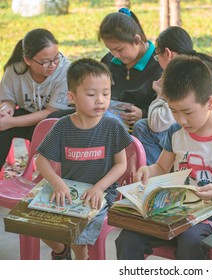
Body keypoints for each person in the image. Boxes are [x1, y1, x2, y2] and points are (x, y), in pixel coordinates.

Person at [115, 56, 212, 260]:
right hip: (172, 210)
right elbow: (161, 166)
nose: (181, 120)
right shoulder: (176, 131)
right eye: (174, 111)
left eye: (187, 112)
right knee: (128, 238)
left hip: (210, 215)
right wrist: (146, 171)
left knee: (191, 241)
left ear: (210, 103)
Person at [35, 58, 133, 260]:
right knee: (35, 223)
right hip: (68, 189)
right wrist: (57, 183)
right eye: (91, 94)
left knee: (79, 236)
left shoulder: (112, 126)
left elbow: (121, 164)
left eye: (106, 94)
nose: (100, 100)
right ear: (72, 97)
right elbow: (41, 161)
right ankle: (61, 251)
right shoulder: (63, 126)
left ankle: (82, 259)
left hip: (102, 192)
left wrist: (99, 187)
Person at [132, 26, 212, 165]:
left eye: (158, 57)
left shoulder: (188, 77)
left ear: (168, 53)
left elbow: (157, 124)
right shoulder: (203, 66)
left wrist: (162, 95)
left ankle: (162, 177)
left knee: (143, 128)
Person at [0, 28, 71, 171]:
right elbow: (7, 99)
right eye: (45, 62)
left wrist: (11, 122)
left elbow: (50, 112)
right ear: (27, 60)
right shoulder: (14, 70)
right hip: (29, 120)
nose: (53, 65)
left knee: (52, 119)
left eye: (56, 57)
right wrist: (7, 107)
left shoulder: (66, 71)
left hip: (57, 125)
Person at [98, 8, 163, 132]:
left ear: (137, 40)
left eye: (119, 49)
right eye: (110, 50)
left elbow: (168, 107)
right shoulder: (109, 60)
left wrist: (143, 113)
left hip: (143, 128)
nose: (115, 55)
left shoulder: (158, 64)